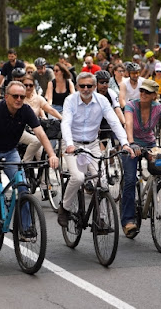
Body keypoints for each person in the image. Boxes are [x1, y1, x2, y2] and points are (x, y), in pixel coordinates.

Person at [0, 81, 59, 228]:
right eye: (15, 96)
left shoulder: (26, 110)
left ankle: (26, 228)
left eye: (22, 96)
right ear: (6, 96)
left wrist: (52, 154)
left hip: (10, 152)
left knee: (23, 188)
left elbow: (40, 133)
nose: (19, 99)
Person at [57, 72, 134, 227]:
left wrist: (125, 143)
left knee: (103, 181)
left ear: (94, 86)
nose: (86, 89)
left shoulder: (102, 100)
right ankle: (64, 208)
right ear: (77, 86)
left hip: (92, 145)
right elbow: (65, 123)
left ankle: (102, 219)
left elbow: (114, 122)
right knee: (78, 178)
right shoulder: (70, 100)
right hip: (73, 144)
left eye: (89, 86)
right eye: (82, 86)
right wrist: (70, 144)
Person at [121, 80, 161, 236]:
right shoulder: (131, 105)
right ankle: (128, 220)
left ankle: (153, 193)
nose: (143, 94)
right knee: (130, 179)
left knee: (160, 169)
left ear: (154, 95)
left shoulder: (159, 108)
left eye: (147, 92)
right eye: (142, 91)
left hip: (150, 144)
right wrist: (130, 143)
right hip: (131, 144)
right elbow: (128, 123)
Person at [20, 73, 62, 163]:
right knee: (37, 142)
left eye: (30, 85)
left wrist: (62, 119)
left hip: (34, 130)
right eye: (25, 85)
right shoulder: (18, 98)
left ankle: (41, 177)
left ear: (34, 86)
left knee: (42, 159)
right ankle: (23, 165)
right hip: (20, 130)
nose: (28, 87)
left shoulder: (38, 99)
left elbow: (50, 110)